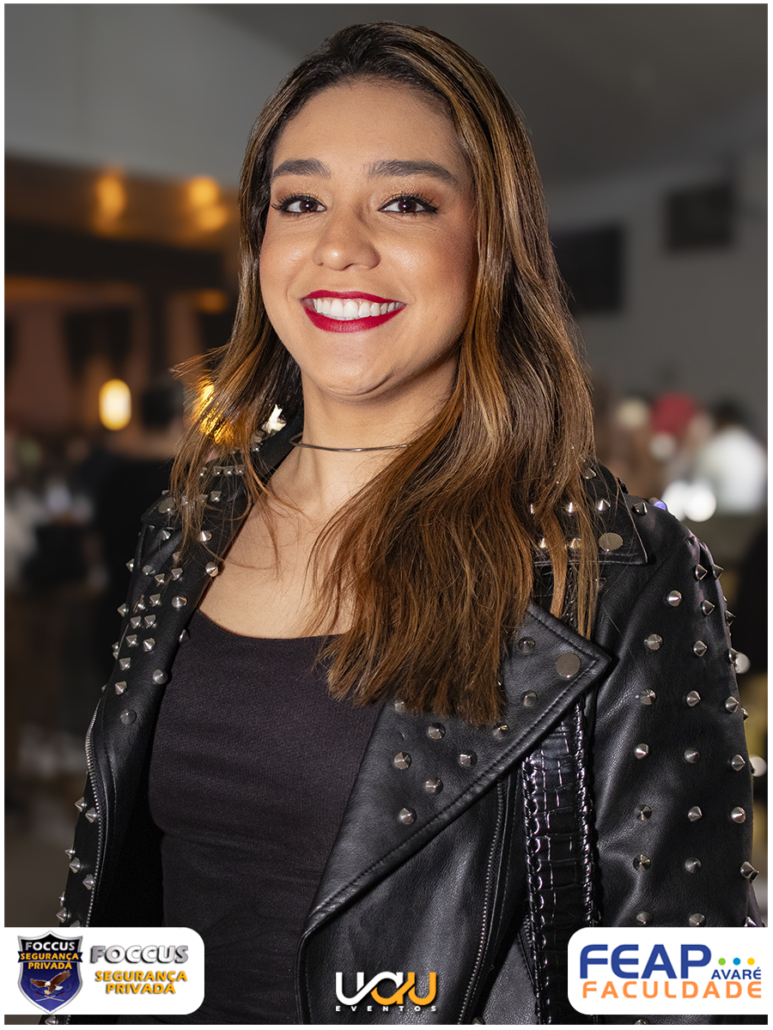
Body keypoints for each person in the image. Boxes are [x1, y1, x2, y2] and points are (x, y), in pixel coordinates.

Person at [52, 22, 761, 1027]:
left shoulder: (617, 569)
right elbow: (104, 918)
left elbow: (690, 992)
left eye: (405, 202)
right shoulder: (187, 529)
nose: (339, 245)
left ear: (491, 247)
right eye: (299, 202)